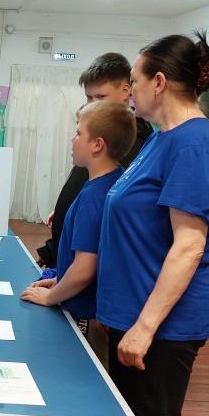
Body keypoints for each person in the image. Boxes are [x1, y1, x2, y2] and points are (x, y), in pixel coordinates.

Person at [58, 32, 209, 416]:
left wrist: (145, 326)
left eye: (133, 80)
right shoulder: (161, 138)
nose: (128, 90)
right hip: (134, 312)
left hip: (166, 324)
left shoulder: (195, 145)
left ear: (159, 81)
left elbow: (188, 246)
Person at [20, 101, 136, 416]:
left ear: (97, 144)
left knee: (87, 398)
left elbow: (86, 269)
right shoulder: (110, 184)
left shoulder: (95, 196)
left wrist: (52, 295)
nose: (72, 140)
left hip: (85, 311)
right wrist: (58, 276)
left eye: (78, 133)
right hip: (87, 302)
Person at [37, 53, 154, 268]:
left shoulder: (132, 145)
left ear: (126, 91)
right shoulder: (98, 131)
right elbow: (84, 183)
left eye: (100, 97)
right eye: (89, 98)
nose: (91, 105)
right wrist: (66, 210)